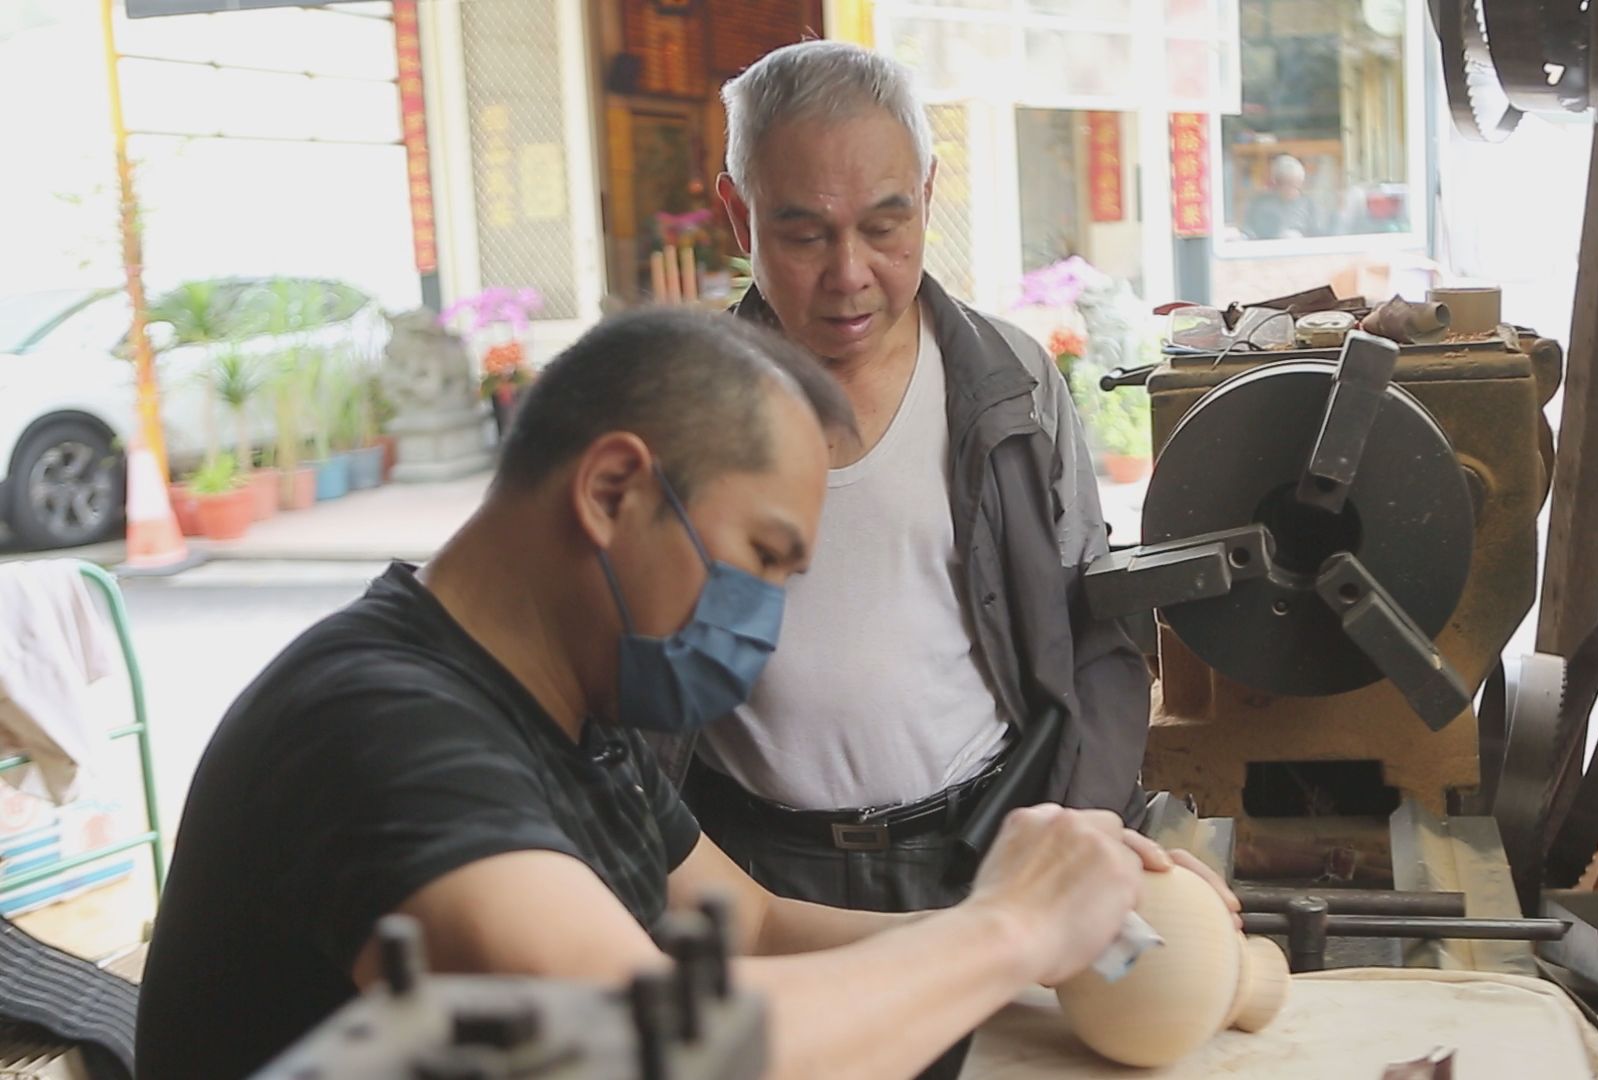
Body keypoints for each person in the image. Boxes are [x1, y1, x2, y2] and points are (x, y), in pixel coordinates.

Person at [133, 310, 1231, 1080]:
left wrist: (1052, 948)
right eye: (761, 556)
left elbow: (743, 922)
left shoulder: (579, 719)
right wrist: (1005, 932)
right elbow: (643, 1047)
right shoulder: (372, 729)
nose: (765, 624)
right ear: (614, 490)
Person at [661, 40, 1151, 922]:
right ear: (739, 215)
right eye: (803, 233)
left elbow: (1097, 626)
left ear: (927, 193)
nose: (849, 275)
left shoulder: (1011, 386)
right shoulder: (677, 411)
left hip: (978, 852)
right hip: (743, 872)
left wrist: (1085, 824)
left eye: (885, 228)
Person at [1244, 153, 1318, 240]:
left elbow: (1317, 234)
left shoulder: (1308, 204)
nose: (1295, 192)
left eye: (1297, 186)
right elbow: (1250, 233)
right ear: (1276, 184)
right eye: (1290, 185)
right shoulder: (1261, 205)